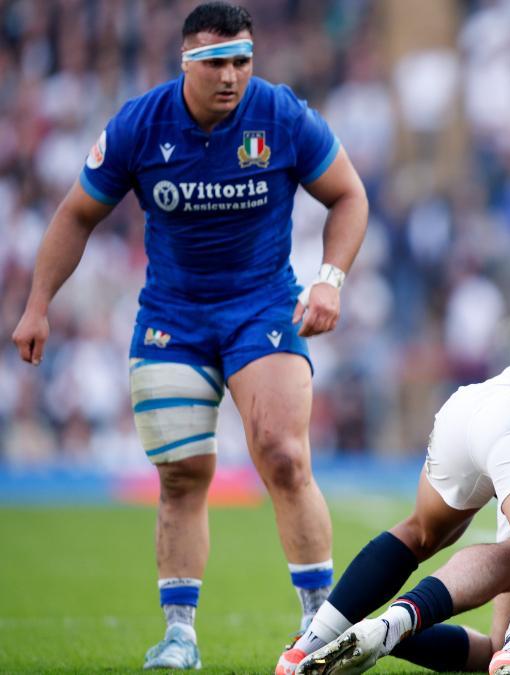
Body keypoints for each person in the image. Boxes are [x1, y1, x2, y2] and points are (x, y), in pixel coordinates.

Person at [9, 3, 368, 669]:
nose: (231, 76)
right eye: (215, 63)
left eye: (241, 61)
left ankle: (320, 622)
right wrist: (37, 304)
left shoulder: (282, 115)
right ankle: (179, 635)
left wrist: (330, 279)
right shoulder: (140, 124)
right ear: (186, 63)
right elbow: (75, 214)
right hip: (172, 312)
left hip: (262, 304)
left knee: (284, 454)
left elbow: (349, 194)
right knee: (180, 475)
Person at [274, 342, 510, 675]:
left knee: (422, 532)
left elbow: (492, 645)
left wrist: (395, 635)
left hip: (477, 406)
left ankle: (316, 640)